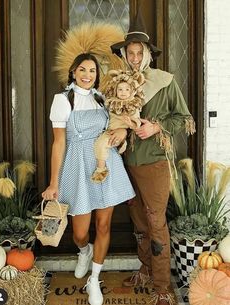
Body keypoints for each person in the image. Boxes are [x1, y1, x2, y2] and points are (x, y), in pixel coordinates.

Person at [111, 25, 195, 305]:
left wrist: (157, 127)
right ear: (125, 55)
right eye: (130, 53)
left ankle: (162, 287)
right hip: (127, 161)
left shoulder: (164, 81)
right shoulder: (120, 81)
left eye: (139, 53)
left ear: (147, 55)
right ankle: (145, 270)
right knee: (138, 221)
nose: (134, 58)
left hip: (155, 162)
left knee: (156, 222)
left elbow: (184, 118)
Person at [42, 53, 135, 305]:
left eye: (92, 71)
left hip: (106, 163)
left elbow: (117, 124)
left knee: (104, 226)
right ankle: (84, 250)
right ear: (73, 72)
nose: (87, 75)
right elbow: (59, 143)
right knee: (81, 232)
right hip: (77, 165)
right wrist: (53, 183)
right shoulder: (62, 100)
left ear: (97, 75)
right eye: (82, 70)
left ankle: (95, 279)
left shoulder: (102, 98)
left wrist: (121, 132)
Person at [91, 69, 145, 183]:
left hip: (123, 130)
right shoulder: (111, 101)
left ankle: (101, 169)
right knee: (99, 144)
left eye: (127, 89)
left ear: (132, 91)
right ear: (115, 90)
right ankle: (102, 167)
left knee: (103, 144)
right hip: (110, 130)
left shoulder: (133, 103)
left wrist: (131, 124)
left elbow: (137, 121)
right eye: (120, 89)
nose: (123, 92)